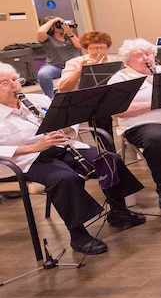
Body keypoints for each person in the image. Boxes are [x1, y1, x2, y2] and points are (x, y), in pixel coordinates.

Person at [0, 63, 146, 255]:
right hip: (25, 160)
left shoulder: (39, 99)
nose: (14, 85)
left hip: (60, 147)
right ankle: (78, 234)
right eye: (5, 83)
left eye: (15, 80)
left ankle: (118, 210)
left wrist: (65, 129)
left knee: (108, 159)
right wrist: (35, 147)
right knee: (65, 178)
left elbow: (69, 120)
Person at [108, 38, 161, 209]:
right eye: (139, 56)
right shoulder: (121, 78)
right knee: (158, 139)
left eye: (148, 54)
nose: (145, 58)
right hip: (143, 125)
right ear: (127, 61)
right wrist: (156, 102)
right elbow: (117, 110)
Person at [56, 30, 122, 93]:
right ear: (86, 49)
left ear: (107, 48)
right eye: (94, 48)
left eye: (102, 47)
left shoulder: (117, 61)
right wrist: (80, 70)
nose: (99, 51)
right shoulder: (74, 63)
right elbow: (63, 89)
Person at [35, 16, 81, 98]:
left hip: (72, 66)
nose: (60, 26)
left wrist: (70, 34)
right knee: (43, 74)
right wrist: (54, 20)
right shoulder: (47, 38)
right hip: (55, 66)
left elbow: (80, 45)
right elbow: (40, 32)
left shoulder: (68, 36)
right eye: (57, 24)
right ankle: (50, 97)